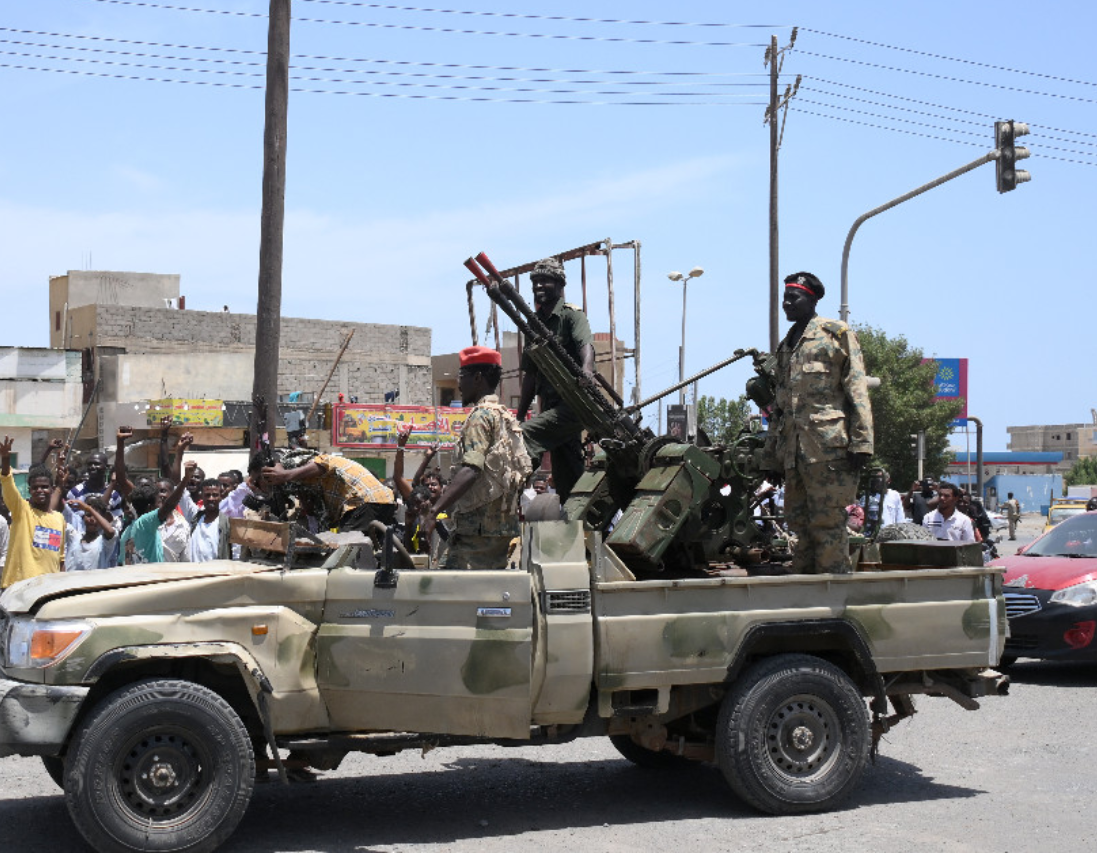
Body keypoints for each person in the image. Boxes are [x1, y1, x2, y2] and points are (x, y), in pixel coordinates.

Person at [761, 272, 874, 574]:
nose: (786, 303)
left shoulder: (834, 334)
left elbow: (857, 389)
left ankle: (833, 598)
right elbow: (781, 407)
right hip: (795, 454)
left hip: (829, 451)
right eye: (784, 298)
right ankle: (806, 595)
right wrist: (772, 456)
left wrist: (862, 442)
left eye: (793, 297)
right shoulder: (787, 345)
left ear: (811, 300)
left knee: (828, 526)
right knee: (800, 525)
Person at [422, 346, 532, 569]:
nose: (459, 384)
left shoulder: (480, 416)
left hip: (477, 532)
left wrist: (434, 512)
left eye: (461, 377)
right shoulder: (503, 415)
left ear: (478, 378)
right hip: (500, 528)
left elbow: (471, 469)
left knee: (445, 593)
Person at [516, 257, 595, 504]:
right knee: (567, 477)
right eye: (535, 281)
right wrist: (518, 416)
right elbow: (530, 374)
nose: (538, 286)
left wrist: (586, 370)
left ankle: (512, 489)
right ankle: (577, 523)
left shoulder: (572, 316)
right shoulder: (534, 323)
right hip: (552, 407)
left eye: (545, 281)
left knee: (525, 436)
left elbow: (586, 346)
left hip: (574, 404)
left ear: (560, 284)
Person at [260, 451, 395, 534]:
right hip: (383, 500)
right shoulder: (296, 485)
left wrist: (286, 475)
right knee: (370, 556)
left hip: (364, 500)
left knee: (347, 554)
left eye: (256, 481)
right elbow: (320, 512)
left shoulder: (290, 462)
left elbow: (324, 463)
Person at [1, 435, 66, 588]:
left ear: (51, 489)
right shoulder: (21, 510)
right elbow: (7, 483)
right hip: (17, 588)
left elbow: (60, 559)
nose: (39, 490)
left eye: (44, 487)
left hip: (48, 590)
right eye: (35, 488)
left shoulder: (59, 519)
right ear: (29, 491)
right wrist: (5, 459)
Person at [120, 457, 195, 565]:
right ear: (150, 508)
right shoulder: (145, 523)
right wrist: (185, 480)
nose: (161, 506)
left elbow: (121, 562)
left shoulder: (126, 533)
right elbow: (169, 506)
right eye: (158, 503)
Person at [65, 494, 121, 571]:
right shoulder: (74, 537)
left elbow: (110, 531)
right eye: (88, 515)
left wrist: (89, 509)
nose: (91, 519)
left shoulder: (103, 542)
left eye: (96, 517)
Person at [187, 479, 234, 562]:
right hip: (194, 571)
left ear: (221, 496)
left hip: (217, 572)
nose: (211, 499)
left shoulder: (226, 523)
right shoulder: (195, 520)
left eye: (215, 495)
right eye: (207, 495)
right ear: (202, 496)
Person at [862, 467, 904, 537]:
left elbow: (900, 518)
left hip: (890, 535)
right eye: (877, 480)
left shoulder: (894, 495)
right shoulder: (867, 498)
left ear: (888, 481)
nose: (878, 482)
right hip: (872, 535)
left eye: (881, 479)